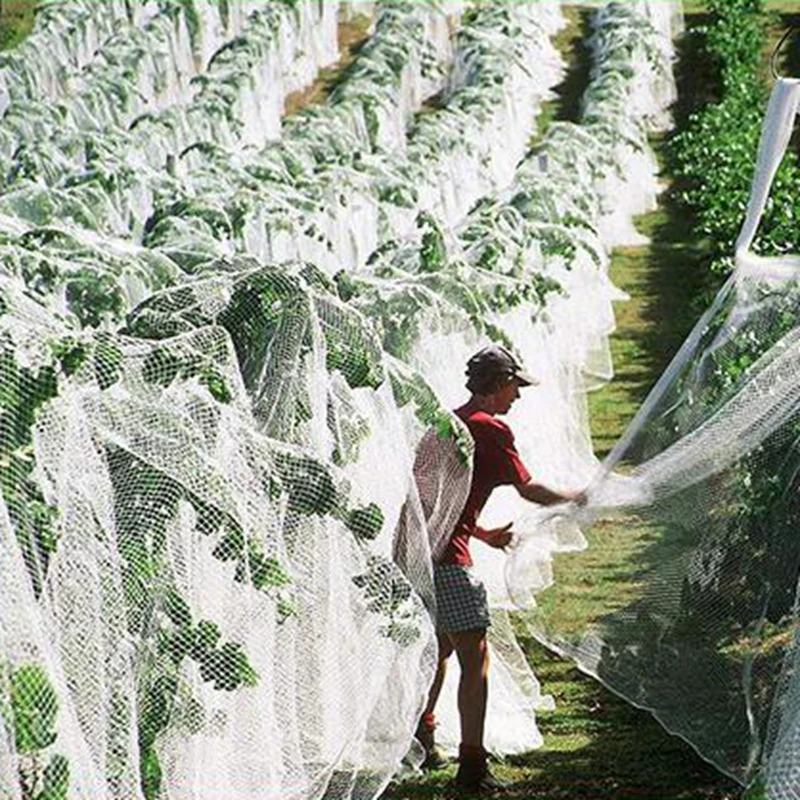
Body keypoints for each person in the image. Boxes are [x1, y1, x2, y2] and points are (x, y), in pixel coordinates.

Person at [415, 344, 584, 794]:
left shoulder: (444, 425)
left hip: (417, 556)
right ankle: (472, 768)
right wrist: (576, 498)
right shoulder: (490, 430)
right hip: (450, 562)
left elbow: (430, 501)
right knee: (476, 658)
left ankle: (423, 737)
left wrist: (483, 532)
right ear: (496, 384)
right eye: (515, 386)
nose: (518, 397)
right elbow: (528, 489)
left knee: (440, 650)